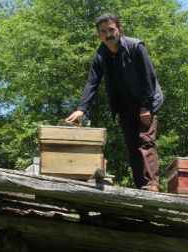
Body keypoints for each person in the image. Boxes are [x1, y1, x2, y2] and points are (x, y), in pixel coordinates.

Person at [64, 13, 164, 191]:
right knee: (132, 146)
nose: (108, 34)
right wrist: (81, 109)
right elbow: (92, 83)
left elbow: (148, 77)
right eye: (103, 31)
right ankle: (142, 187)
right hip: (124, 106)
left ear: (119, 29)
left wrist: (145, 107)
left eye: (111, 29)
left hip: (145, 101)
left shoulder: (136, 46)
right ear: (99, 35)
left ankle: (152, 184)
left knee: (145, 141)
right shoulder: (100, 56)